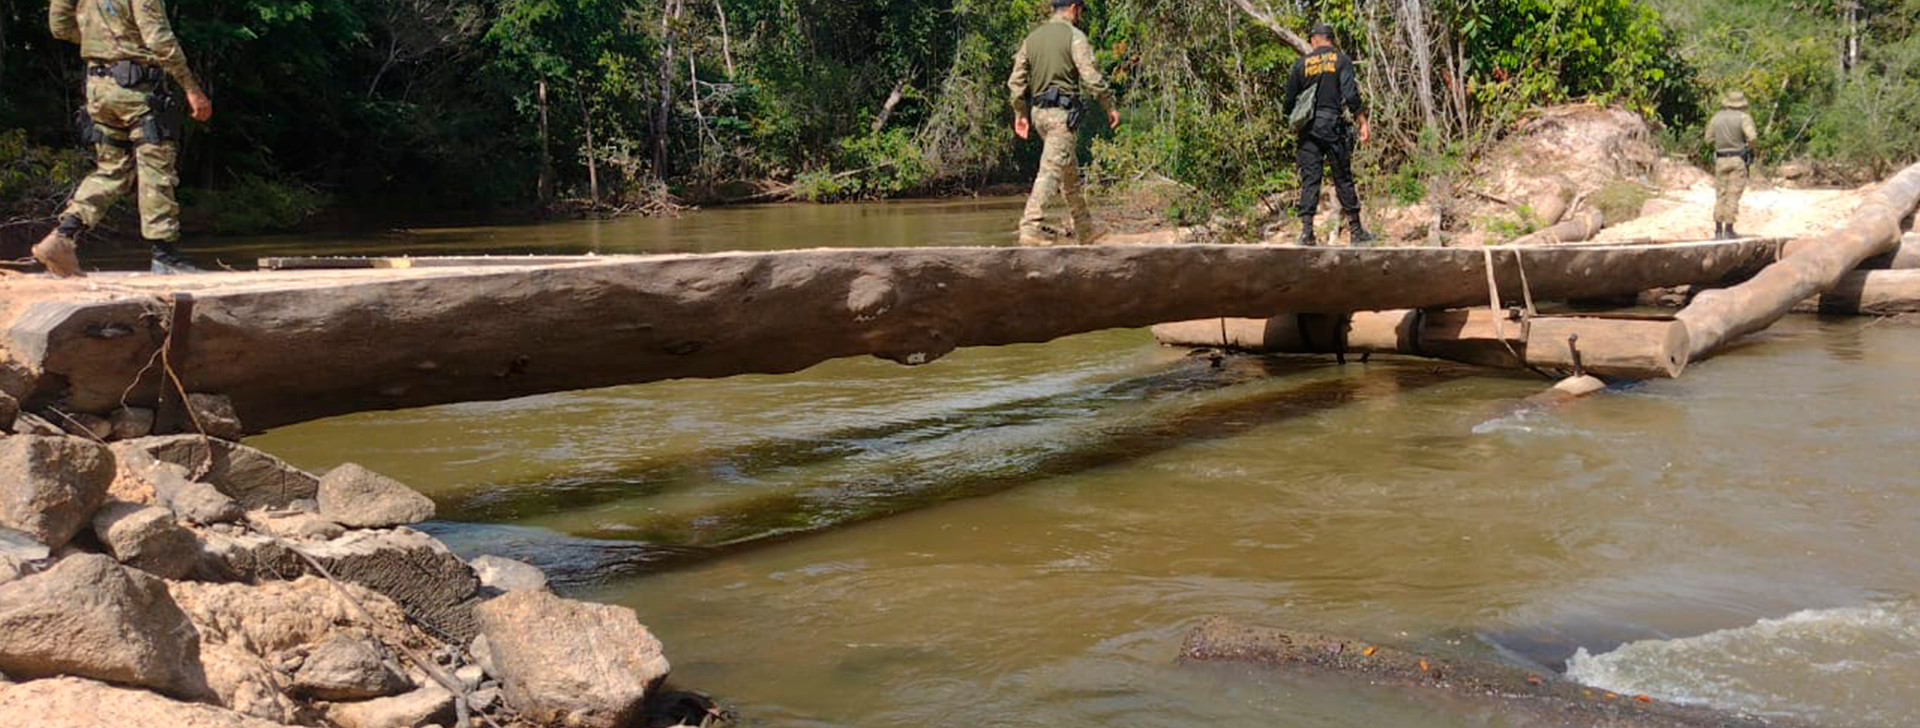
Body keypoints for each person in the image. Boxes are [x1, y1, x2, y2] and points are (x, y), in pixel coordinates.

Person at [35, 0, 214, 278]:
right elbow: (158, 38)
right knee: (155, 166)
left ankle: (62, 236)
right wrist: (191, 87)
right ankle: (164, 256)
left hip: (98, 88)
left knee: (111, 169)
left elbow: (59, 26)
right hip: (136, 90)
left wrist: (101, 44)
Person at [1006, 0, 1119, 247]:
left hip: (1039, 115)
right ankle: (1030, 227)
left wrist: (1020, 113)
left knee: (1068, 173)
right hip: (1061, 115)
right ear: (1072, 8)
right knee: (1050, 171)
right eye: (1080, 10)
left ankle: (1085, 230)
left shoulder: (1032, 39)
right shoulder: (1074, 36)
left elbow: (1016, 82)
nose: (1080, 16)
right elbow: (1090, 76)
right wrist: (1109, 105)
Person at [1283, 23, 1374, 247]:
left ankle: (1306, 233)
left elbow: (1287, 103)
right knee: (1342, 177)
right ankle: (1356, 231)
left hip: (1308, 130)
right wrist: (1362, 120)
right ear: (1330, 39)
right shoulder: (1341, 60)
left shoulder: (1301, 64)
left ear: (1314, 40)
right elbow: (1350, 94)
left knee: (1310, 179)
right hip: (1332, 125)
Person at [1707, 91, 1758, 240]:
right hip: (1737, 159)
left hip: (1720, 160)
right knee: (1733, 195)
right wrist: (1749, 148)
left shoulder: (1716, 118)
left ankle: (1717, 230)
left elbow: (1708, 139)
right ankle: (1729, 230)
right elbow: (1753, 137)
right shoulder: (1744, 118)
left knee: (1720, 194)